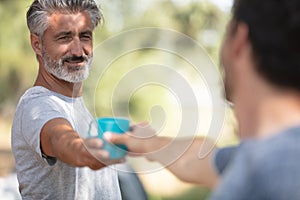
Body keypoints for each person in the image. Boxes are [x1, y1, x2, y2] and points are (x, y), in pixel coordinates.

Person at [106, 0, 300, 199]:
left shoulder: (276, 172)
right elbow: (201, 160)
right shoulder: (265, 155)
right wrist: (149, 143)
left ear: (240, 40)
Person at [11, 0, 147, 199]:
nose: (77, 51)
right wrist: (101, 149)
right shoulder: (37, 106)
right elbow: (63, 142)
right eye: (64, 38)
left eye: (85, 36)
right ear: (37, 44)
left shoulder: (71, 103)